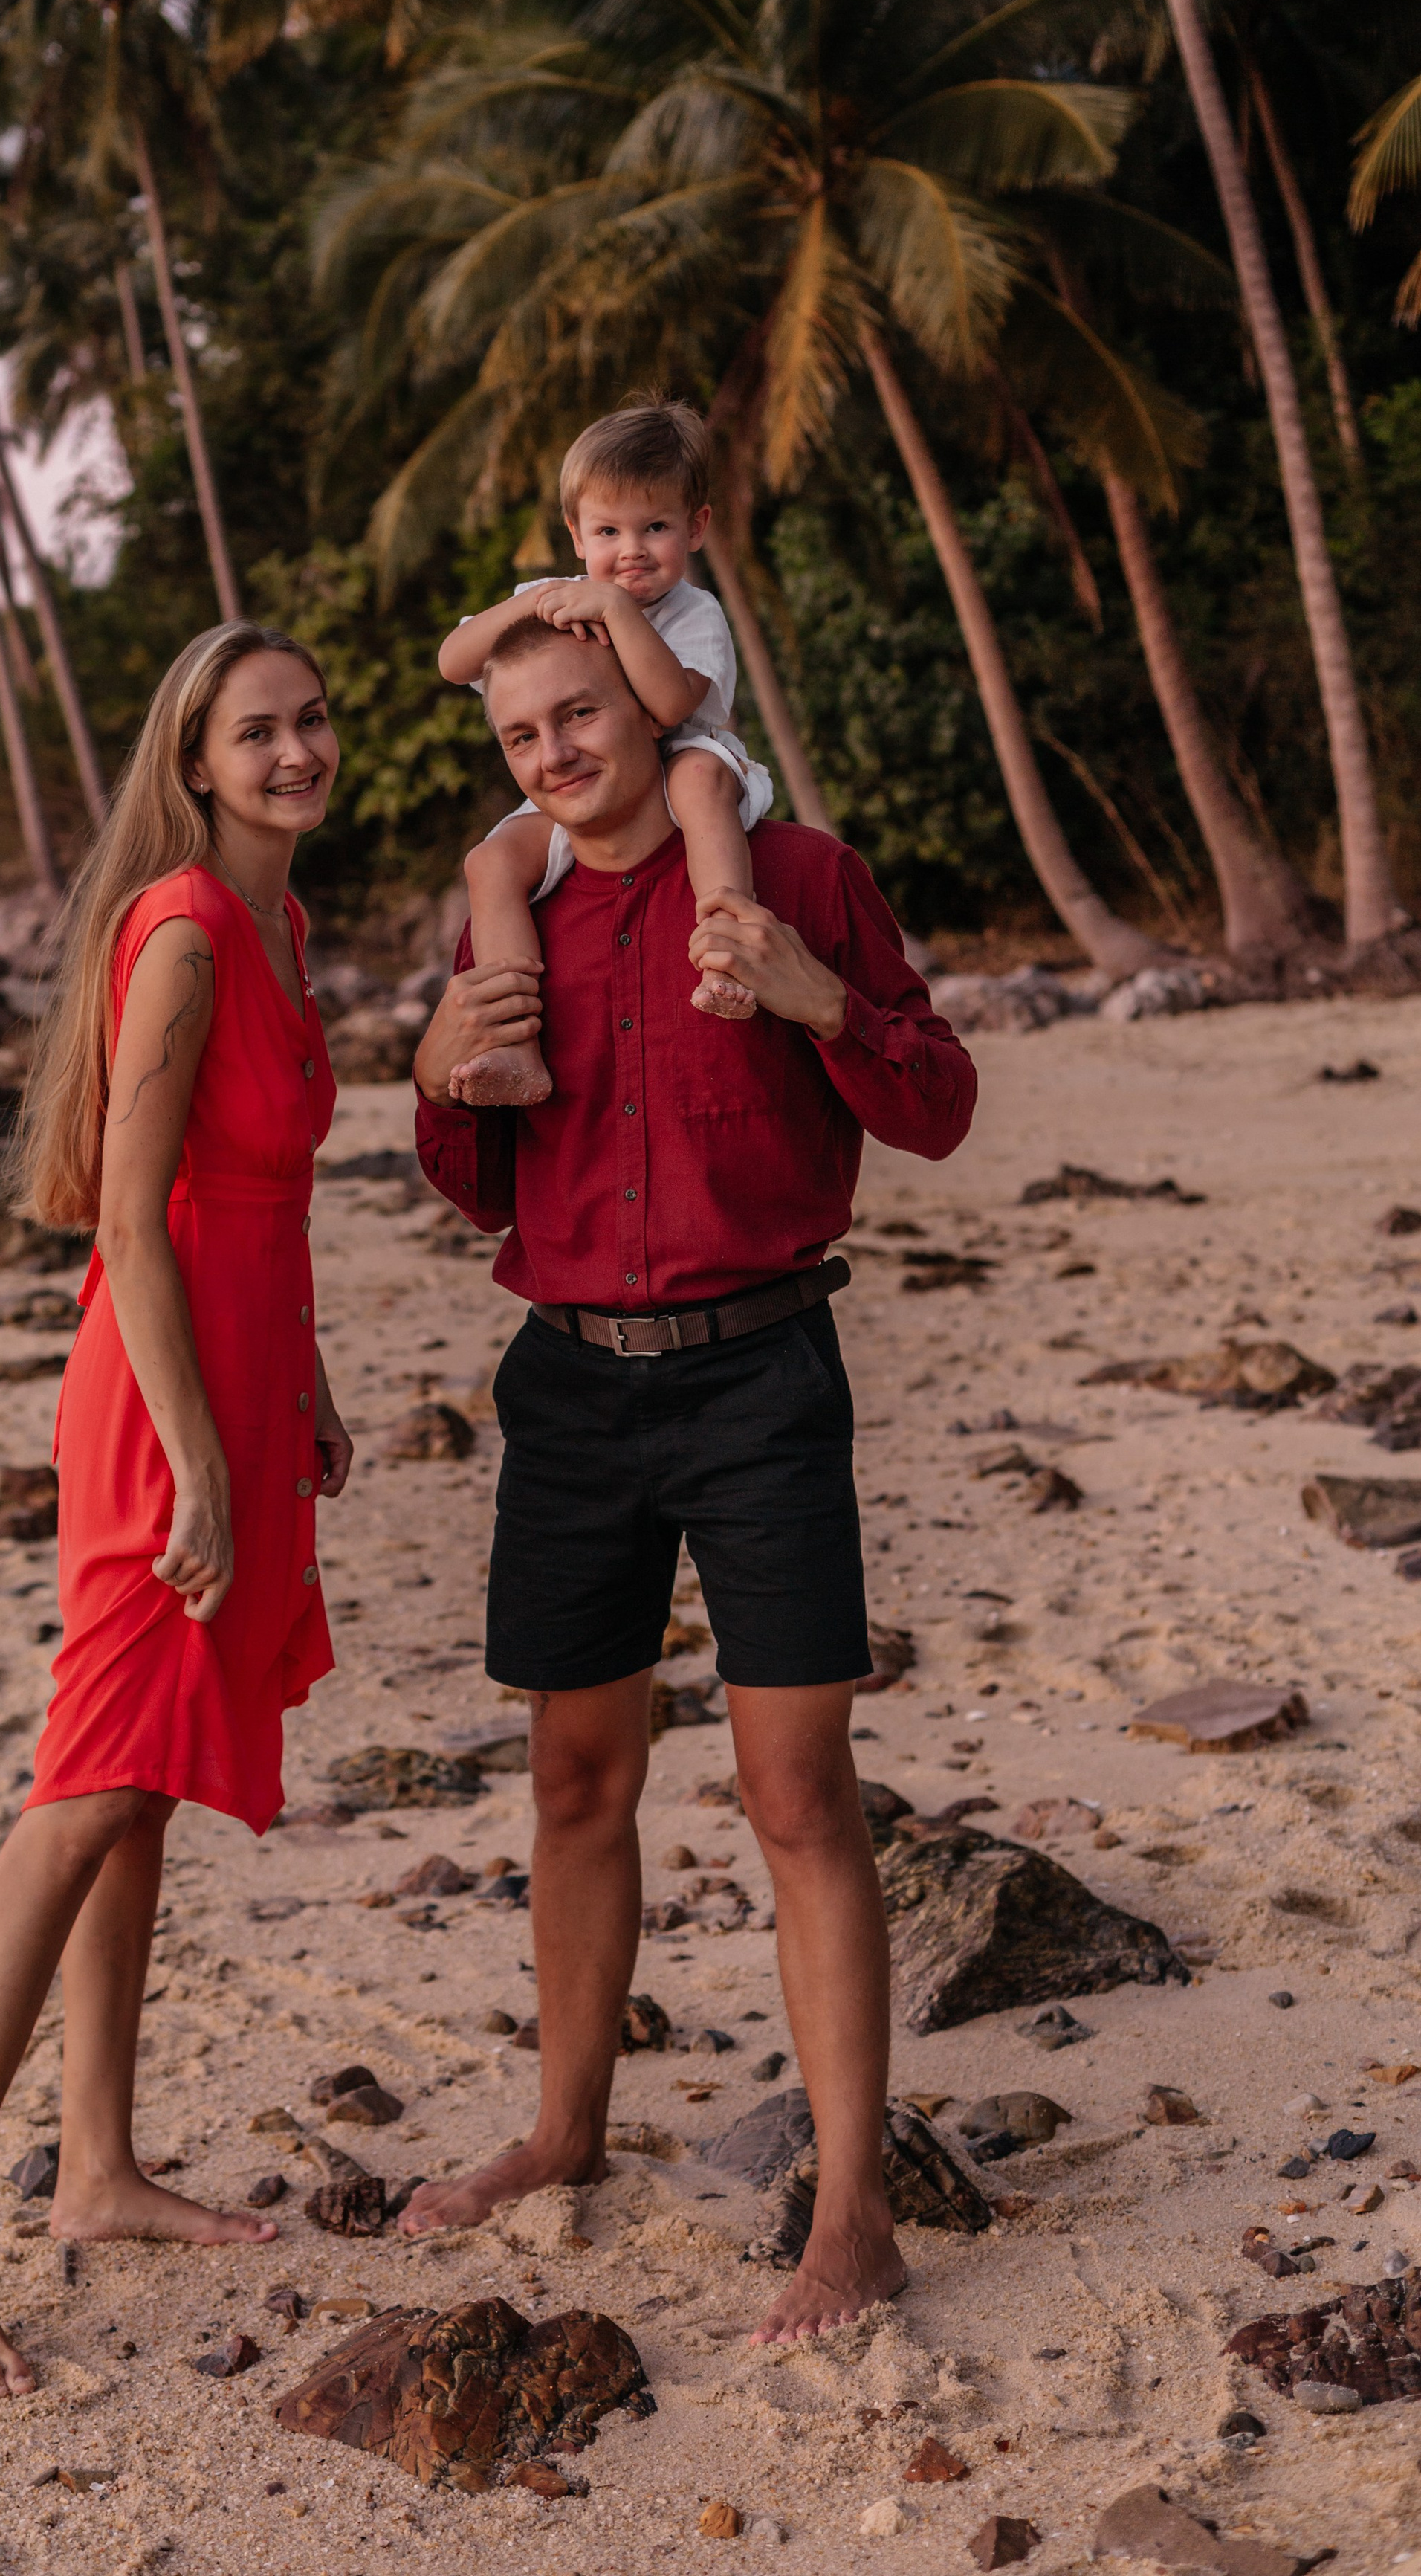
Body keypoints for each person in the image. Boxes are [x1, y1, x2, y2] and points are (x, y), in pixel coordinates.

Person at [403, 615, 976, 2347]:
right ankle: (564, 2126)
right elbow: (486, 1180)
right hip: (570, 1389)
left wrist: (816, 997)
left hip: (761, 1376)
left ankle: (855, 2212)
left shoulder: (795, 871)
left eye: (578, 711)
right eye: (518, 735)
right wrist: (433, 1074)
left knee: (797, 1792)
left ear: (651, 701)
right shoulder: (510, 915)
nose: (553, 752)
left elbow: (937, 1101)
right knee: (573, 1784)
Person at [0, 622, 354, 2398]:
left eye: (311, 718)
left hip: (238, 1379)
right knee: (79, 1792)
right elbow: (131, 1221)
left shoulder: (288, 924)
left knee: (137, 1786)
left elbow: (267, 1196)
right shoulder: (180, 934)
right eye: (259, 729)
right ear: (194, 757)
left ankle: (95, 2165)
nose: (297, 748)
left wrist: (300, 1389)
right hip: (160, 1402)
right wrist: (204, 1454)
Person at [436, 395, 772, 1108]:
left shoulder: (692, 613)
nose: (631, 552)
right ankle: (514, 1044)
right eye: (608, 531)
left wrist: (616, 612)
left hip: (689, 755)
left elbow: (671, 707)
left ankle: (727, 948)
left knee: (698, 784)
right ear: (575, 533)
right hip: (584, 790)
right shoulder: (548, 597)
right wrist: (532, 605)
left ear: (697, 527)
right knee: (490, 862)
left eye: (656, 527)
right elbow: (453, 660)